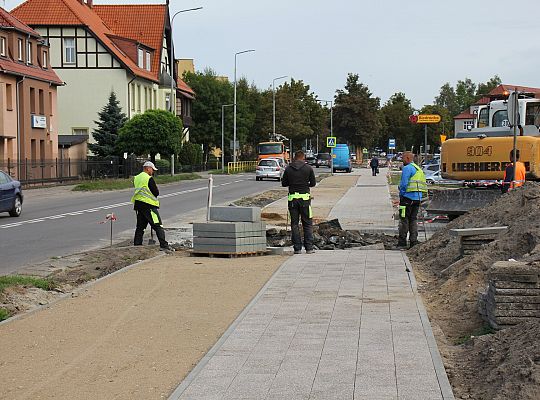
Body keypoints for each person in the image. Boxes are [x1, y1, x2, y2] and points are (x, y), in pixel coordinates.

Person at [131, 161, 172, 252]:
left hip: (139, 205)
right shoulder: (149, 178)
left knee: (140, 227)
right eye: (152, 170)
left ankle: (137, 246)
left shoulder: (136, 178)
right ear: (148, 168)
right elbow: (156, 192)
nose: (152, 171)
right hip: (149, 206)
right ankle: (164, 245)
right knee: (158, 225)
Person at [282, 150, 317, 254]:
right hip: (305, 200)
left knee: (294, 224)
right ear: (303, 157)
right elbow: (313, 183)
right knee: (307, 223)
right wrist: (305, 185)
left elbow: (284, 184)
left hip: (292, 200)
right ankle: (309, 248)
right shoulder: (308, 168)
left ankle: (297, 248)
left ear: (294, 157)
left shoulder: (288, 169)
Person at [397, 152, 427, 248]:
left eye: (403, 158)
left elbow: (404, 184)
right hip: (417, 198)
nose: (402, 160)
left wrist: (401, 194)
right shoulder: (418, 169)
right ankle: (413, 241)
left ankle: (402, 242)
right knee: (413, 219)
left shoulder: (407, 168)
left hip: (407, 198)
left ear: (407, 158)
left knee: (403, 219)